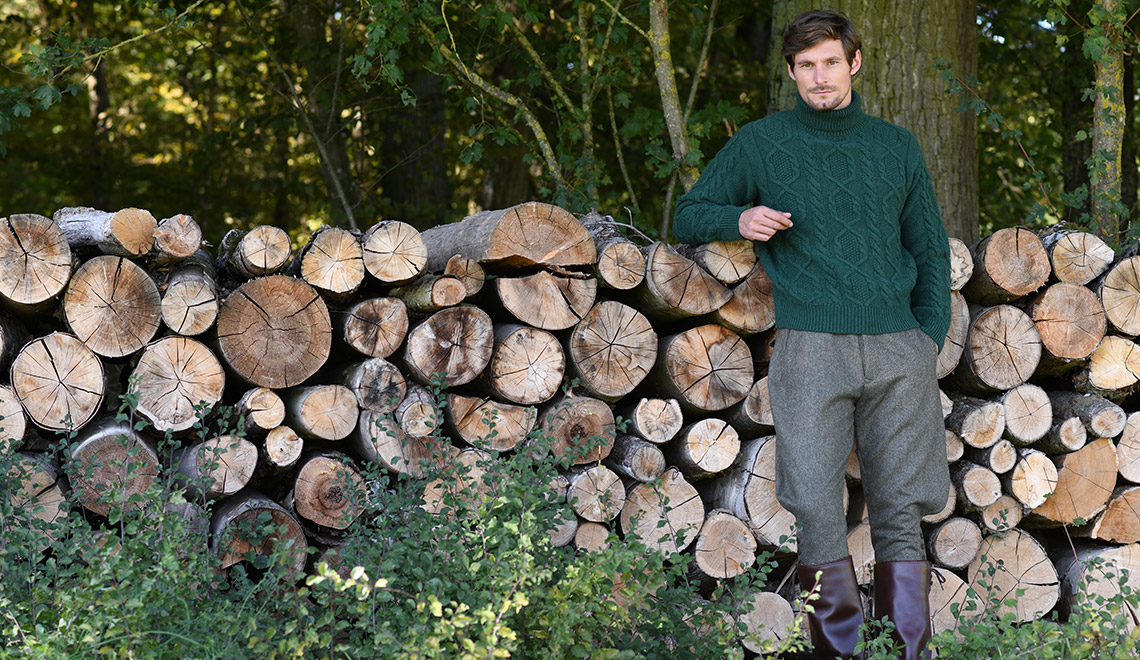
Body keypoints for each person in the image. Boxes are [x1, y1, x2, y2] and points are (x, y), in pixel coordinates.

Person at [672, 9, 951, 660]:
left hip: (897, 348)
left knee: (900, 510)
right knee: (817, 508)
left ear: (853, 62)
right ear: (792, 71)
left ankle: (908, 650)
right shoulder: (764, 143)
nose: (818, 77)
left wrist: (926, 338)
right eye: (805, 66)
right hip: (809, 348)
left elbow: (930, 252)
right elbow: (691, 212)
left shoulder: (896, 147)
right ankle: (837, 652)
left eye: (830, 62)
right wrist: (742, 216)